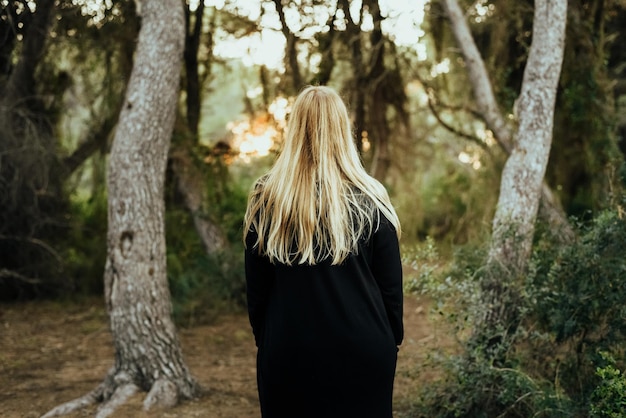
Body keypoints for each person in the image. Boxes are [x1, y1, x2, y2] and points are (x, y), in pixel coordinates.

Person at [243, 85, 403, 418]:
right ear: (342, 130)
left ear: (295, 129)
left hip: (289, 352)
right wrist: (387, 338)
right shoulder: (372, 198)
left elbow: (257, 295)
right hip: (364, 350)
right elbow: (391, 293)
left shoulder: (266, 199)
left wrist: (273, 340)